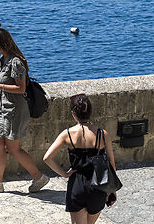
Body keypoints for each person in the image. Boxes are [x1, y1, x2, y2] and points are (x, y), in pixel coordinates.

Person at [0, 21, 48, 193]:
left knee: (14, 149)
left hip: (15, 110)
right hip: (3, 108)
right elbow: (1, 78)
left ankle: (39, 177)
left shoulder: (16, 63)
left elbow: (20, 88)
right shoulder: (3, 59)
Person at [42, 94, 117, 224]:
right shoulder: (102, 134)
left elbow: (47, 158)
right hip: (98, 187)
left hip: (77, 185)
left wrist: (65, 174)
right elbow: (111, 164)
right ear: (90, 112)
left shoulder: (67, 134)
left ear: (73, 113)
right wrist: (112, 190)